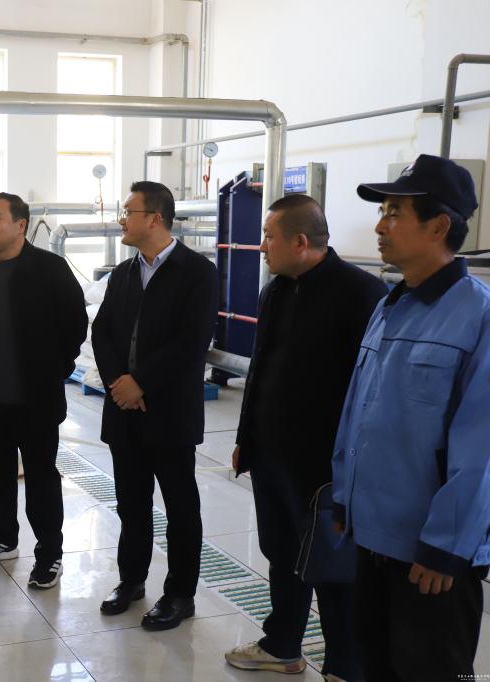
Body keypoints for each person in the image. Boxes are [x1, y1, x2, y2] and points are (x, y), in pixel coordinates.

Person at [333, 154, 490, 681]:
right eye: (383, 213)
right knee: (376, 665)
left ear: (439, 226)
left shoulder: (480, 315)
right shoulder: (389, 305)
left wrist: (447, 544)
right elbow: (358, 407)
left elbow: (482, 449)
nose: (380, 226)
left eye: (394, 213)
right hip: (372, 536)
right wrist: (344, 495)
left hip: (431, 555)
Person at [222, 195, 385, 681]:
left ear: (299, 241)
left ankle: (345, 666)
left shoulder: (361, 294)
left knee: (334, 569)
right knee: (281, 554)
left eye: (268, 236)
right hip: (271, 453)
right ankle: (283, 645)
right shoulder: (275, 291)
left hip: (325, 466)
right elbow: (260, 370)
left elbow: (368, 388)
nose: (261, 246)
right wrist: (246, 437)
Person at [92, 180, 218, 629]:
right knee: (131, 503)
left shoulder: (197, 272)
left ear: (155, 218)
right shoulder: (124, 273)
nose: (121, 219)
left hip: (170, 413)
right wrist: (118, 383)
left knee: (180, 508)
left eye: (129, 211)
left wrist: (140, 383)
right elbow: (102, 332)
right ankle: (132, 580)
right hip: (123, 411)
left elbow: (191, 341)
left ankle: (180, 594)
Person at [0, 192, 87, 589]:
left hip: (35, 401)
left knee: (41, 479)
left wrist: (55, 370)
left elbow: (75, 323)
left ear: (21, 225)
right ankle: (3, 539)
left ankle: (49, 554)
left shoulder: (49, 268)